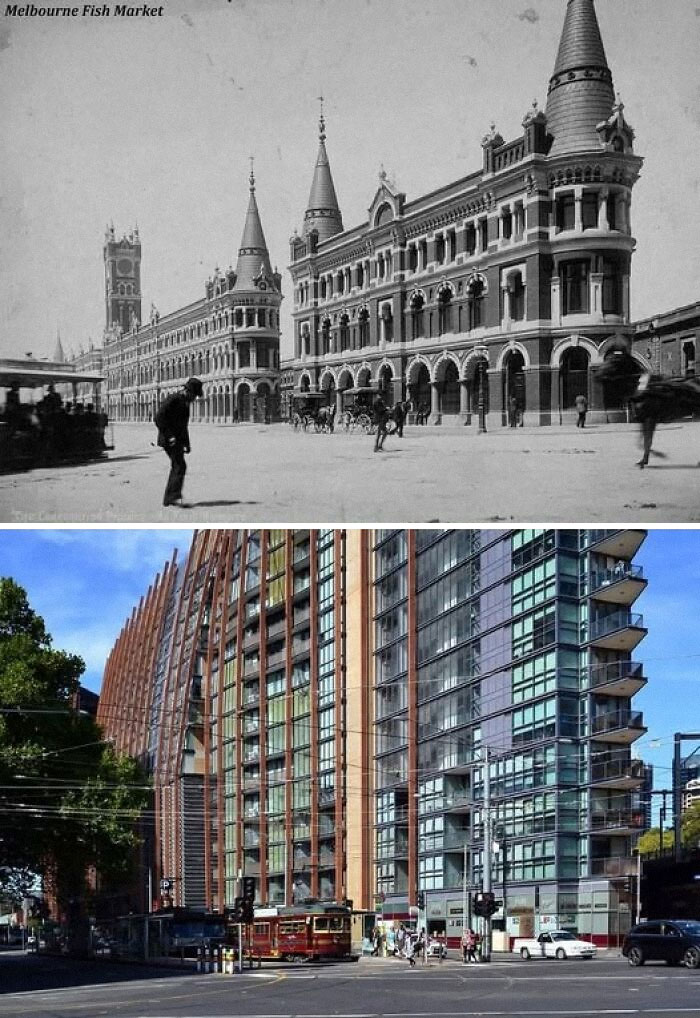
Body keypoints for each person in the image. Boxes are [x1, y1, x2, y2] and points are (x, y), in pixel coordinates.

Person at [154, 377, 203, 507]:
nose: (194, 399)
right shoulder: (173, 399)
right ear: (188, 391)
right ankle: (171, 497)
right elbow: (158, 417)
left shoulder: (185, 403)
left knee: (179, 465)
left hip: (177, 441)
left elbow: (183, 426)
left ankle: (171, 496)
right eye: (194, 395)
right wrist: (169, 436)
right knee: (179, 465)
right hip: (169, 440)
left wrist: (187, 444)